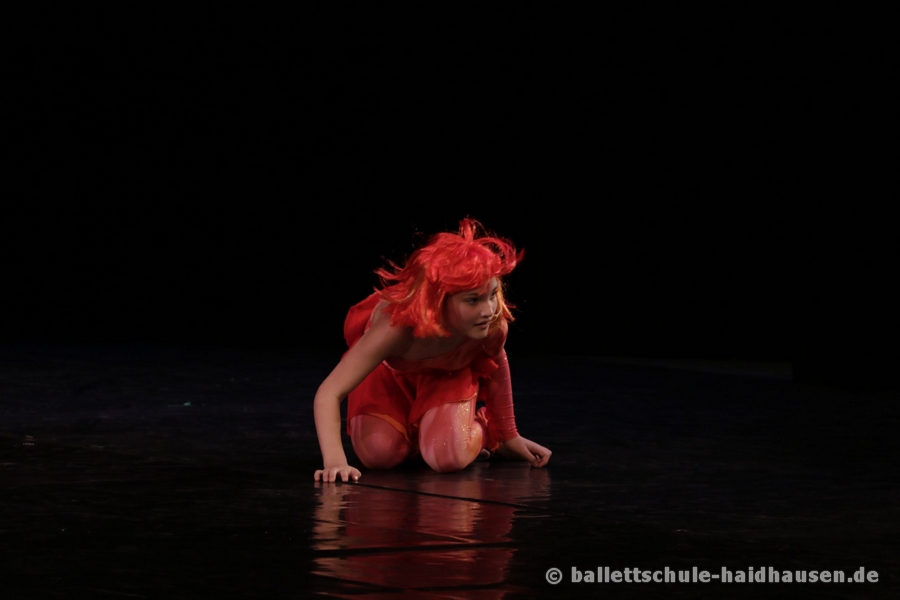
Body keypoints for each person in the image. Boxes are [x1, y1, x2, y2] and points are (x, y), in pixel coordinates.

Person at [313, 219, 551, 482]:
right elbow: (329, 392)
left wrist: (507, 435)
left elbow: (496, 365)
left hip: (446, 375)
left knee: (446, 456)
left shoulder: (490, 326)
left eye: (492, 295)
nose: (488, 310)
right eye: (473, 300)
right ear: (438, 300)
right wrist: (335, 462)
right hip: (389, 378)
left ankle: (478, 432)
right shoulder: (397, 328)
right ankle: (420, 435)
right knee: (379, 455)